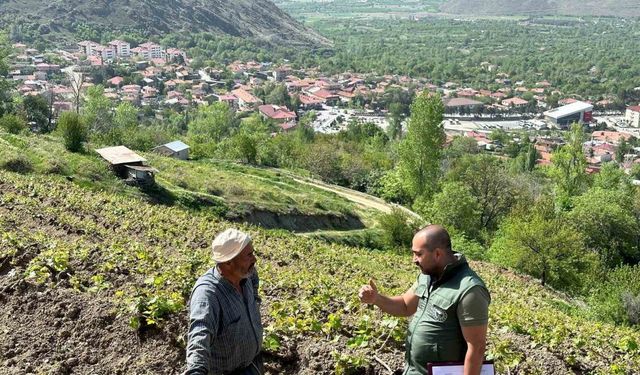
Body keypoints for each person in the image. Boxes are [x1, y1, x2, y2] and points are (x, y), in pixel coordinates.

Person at [358, 225, 490, 375]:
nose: (414, 260)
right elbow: (405, 306)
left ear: (438, 254)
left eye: (418, 254)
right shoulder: (428, 275)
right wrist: (376, 298)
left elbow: (477, 348)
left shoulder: (469, 290)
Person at [186, 228, 264, 375]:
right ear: (228, 262)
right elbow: (199, 335)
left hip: (253, 365)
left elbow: (254, 289)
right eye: (249, 255)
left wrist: (255, 303)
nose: (255, 259)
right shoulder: (208, 294)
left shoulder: (247, 274)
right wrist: (196, 371)